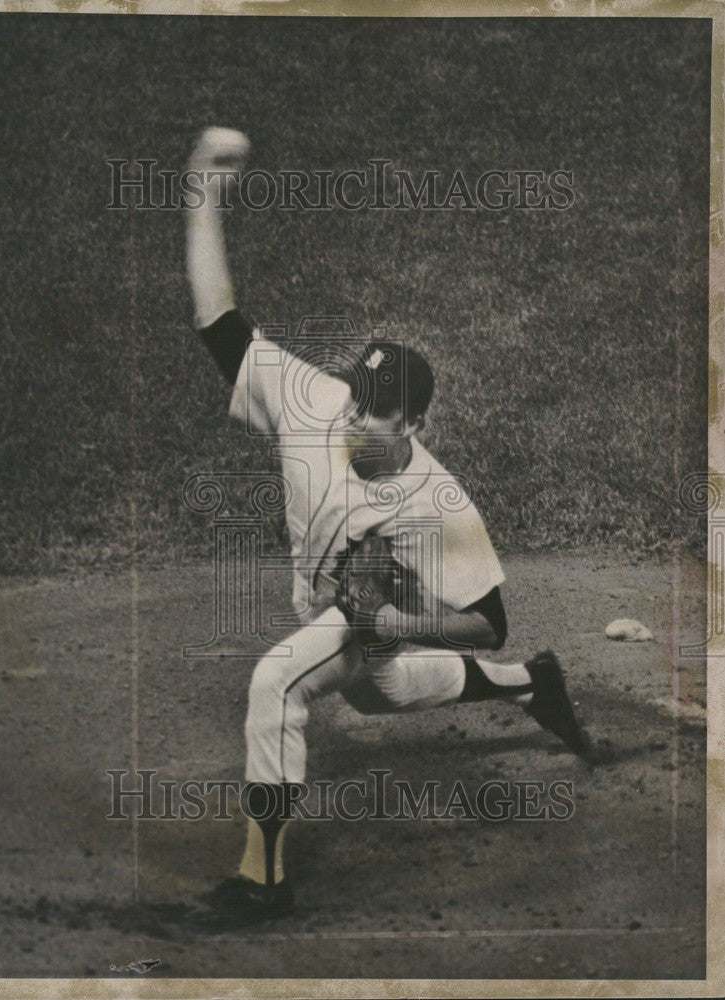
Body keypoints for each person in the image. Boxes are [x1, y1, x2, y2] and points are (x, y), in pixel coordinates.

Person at [185, 127, 592, 922]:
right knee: (381, 695)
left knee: (277, 681)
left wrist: (389, 617)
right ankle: (534, 687)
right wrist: (202, 192)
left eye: (379, 412)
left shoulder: (436, 502)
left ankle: (262, 881)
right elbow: (217, 320)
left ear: (413, 421)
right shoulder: (311, 405)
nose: (358, 419)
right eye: (356, 398)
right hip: (342, 608)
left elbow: (488, 622)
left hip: (364, 610)